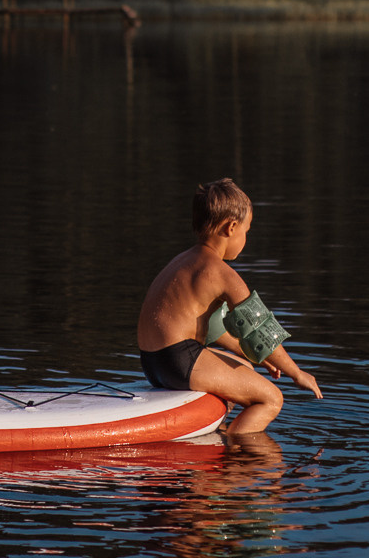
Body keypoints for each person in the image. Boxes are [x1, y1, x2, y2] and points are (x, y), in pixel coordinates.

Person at [136, 178, 321, 436]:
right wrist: (297, 373)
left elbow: (212, 328)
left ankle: (215, 430)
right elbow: (261, 330)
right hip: (180, 361)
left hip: (153, 362)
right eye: (247, 230)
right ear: (231, 227)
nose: (246, 237)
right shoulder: (222, 273)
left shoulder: (181, 262)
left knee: (244, 369)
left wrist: (260, 359)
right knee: (271, 399)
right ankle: (235, 456)